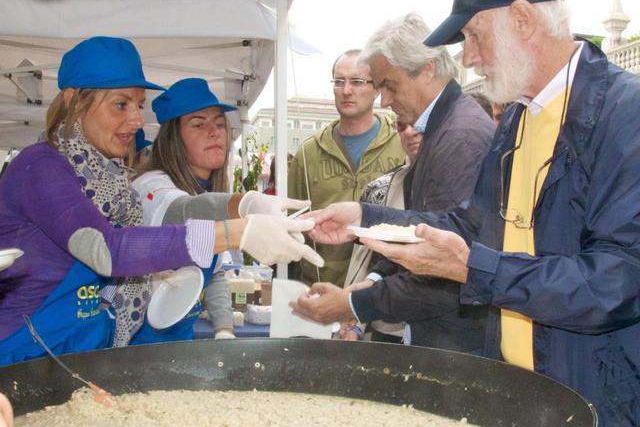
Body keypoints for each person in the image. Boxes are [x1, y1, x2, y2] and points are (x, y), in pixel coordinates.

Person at [293, 0, 640, 425]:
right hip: (519, 393)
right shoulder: (518, 116)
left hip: (596, 399)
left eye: (474, 36)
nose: (470, 60)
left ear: (522, 19)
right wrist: (368, 218)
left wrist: (476, 269)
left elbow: (618, 282)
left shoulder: (626, 114)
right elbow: (470, 225)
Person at [0, 36, 323, 366]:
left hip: (80, 353)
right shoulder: (39, 166)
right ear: (72, 102)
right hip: (24, 353)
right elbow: (106, 249)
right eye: (121, 104)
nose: (138, 121)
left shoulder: (108, 180)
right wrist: (238, 229)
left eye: (139, 105)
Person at [307, 13, 497, 352]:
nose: (384, 101)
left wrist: (354, 304)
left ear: (426, 69)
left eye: (389, 85)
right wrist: (363, 224)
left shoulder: (461, 135)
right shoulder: (445, 128)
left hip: (456, 340)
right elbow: (420, 231)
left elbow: (443, 263)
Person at [129, 78, 239, 344]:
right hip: (138, 344)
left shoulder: (204, 193)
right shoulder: (150, 185)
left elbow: (214, 272)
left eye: (220, 124)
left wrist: (224, 329)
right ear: (173, 138)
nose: (214, 132)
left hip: (180, 340)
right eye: (199, 124)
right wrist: (244, 204)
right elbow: (182, 212)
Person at [288, 49, 405, 286]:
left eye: (357, 82)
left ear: (377, 89)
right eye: (339, 81)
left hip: (384, 295)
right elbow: (292, 225)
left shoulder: (402, 146)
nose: (346, 90)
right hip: (321, 289)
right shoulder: (308, 153)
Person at [341, 120, 422, 343]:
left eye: (421, 124)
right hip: (388, 328)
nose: (411, 132)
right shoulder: (380, 190)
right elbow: (366, 260)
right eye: (402, 125)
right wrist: (355, 320)